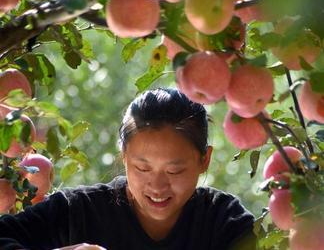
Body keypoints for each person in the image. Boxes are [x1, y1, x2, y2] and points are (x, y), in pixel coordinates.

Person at [0, 88, 256, 250]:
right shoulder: (77, 212)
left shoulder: (223, 222)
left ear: (204, 160)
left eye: (174, 171)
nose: (157, 187)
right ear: (124, 157)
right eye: (142, 168)